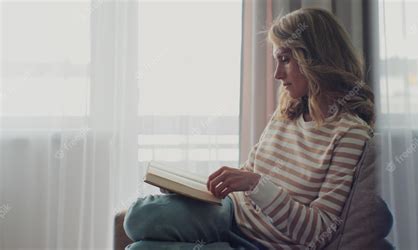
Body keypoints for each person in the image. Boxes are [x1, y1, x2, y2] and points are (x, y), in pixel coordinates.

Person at [123, 7, 374, 250]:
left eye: (285, 60)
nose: (277, 74)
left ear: (316, 60)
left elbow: (318, 233)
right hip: (230, 212)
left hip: (264, 244)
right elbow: (248, 175)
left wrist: (256, 184)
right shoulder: (287, 112)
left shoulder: (350, 134)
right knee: (139, 216)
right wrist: (189, 189)